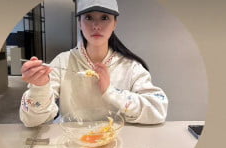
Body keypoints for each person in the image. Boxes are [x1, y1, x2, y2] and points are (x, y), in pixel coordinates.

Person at [20, 0, 168, 127]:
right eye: (89, 17)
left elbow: (158, 110)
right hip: (71, 141)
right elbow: (31, 121)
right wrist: (40, 87)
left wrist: (110, 92)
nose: (96, 25)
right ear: (79, 23)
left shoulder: (130, 67)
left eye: (104, 18)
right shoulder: (62, 61)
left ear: (115, 23)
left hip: (115, 142)